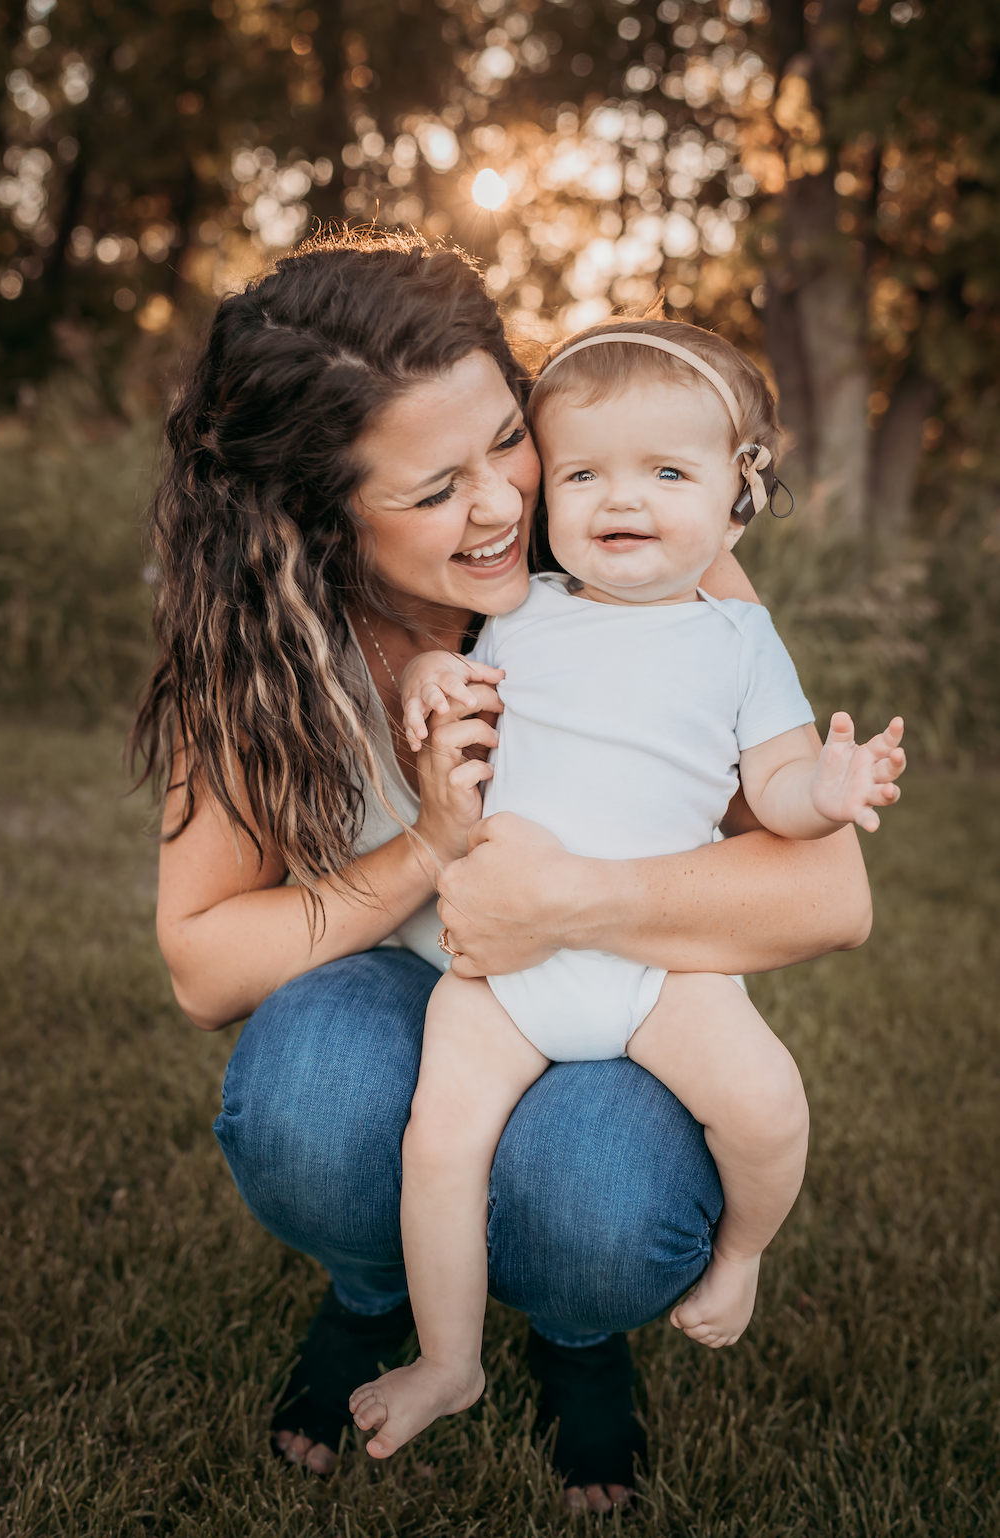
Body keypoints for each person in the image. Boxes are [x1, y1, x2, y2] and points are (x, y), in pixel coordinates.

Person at [130, 232, 874, 1513]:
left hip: (615, 986)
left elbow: (827, 894)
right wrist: (429, 846)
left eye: (506, 441)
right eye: (430, 489)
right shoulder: (259, 652)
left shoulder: (628, 556)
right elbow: (204, 965)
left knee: (601, 1212)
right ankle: (376, 1297)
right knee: (310, 1098)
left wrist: (574, 900)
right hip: (417, 992)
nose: (500, 504)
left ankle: (575, 1332)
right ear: (317, 511)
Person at [347, 320, 906, 1460]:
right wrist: (428, 670)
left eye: (666, 472)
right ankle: (447, 1359)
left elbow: (777, 785)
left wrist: (829, 783)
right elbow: (449, 675)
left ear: (734, 500)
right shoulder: (519, 612)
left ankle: (740, 1250)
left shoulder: (739, 642)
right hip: (501, 967)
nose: (623, 498)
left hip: (660, 968)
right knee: (437, 1141)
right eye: (586, 472)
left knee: (764, 1103)